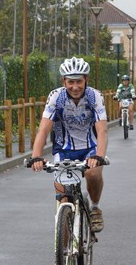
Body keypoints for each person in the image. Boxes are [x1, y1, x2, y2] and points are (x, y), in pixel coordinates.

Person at [30, 56, 108, 233]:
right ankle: (63, 256)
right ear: (63, 81)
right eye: (71, 82)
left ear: (86, 80)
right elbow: (43, 129)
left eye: (79, 81)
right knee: (63, 198)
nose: (75, 87)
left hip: (90, 149)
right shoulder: (55, 97)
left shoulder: (94, 96)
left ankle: (94, 207)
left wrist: (99, 156)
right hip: (64, 150)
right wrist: (36, 156)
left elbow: (102, 130)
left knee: (93, 173)